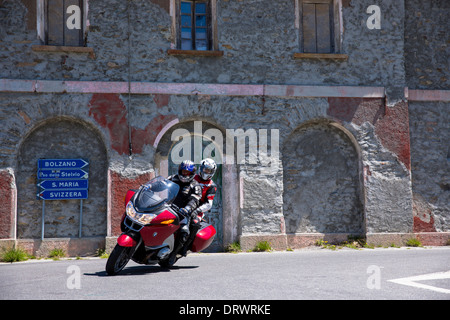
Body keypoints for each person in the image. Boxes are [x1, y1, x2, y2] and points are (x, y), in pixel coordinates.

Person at [179, 158, 217, 256]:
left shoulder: (211, 185)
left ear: (212, 172)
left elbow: (209, 204)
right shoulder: (192, 177)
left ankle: (185, 247)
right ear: (201, 169)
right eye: (205, 169)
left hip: (197, 210)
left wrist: (196, 211)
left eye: (209, 171)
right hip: (183, 204)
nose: (206, 172)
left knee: (194, 224)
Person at [167, 160, 202, 262]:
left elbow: (195, 199)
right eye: (183, 172)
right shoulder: (172, 178)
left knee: (184, 230)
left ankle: (175, 253)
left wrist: (187, 209)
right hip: (167, 207)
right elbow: (160, 186)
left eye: (188, 173)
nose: (185, 174)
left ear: (192, 174)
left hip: (182, 211)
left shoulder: (195, 185)